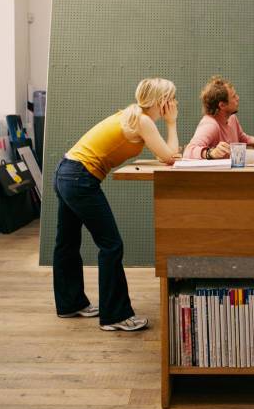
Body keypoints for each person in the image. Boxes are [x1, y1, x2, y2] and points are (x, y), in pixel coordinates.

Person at [53, 78, 179, 331]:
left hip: (66, 171)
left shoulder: (134, 116)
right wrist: (172, 123)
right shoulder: (142, 120)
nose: (175, 103)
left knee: (66, 242)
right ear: (162, 101)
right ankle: (115, 315)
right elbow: (169, 157)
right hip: (80, 178)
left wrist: (165, 136)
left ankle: (70, 303)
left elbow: (162, 152)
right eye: (172, 98)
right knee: (111, 245)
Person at [183, 75, 254, 159]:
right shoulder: (210, 125)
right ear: (222, 105)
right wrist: (210, 153)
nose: (238, 98)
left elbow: (244, 139)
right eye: (234, 96)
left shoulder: (232, 118)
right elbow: (188, 151)